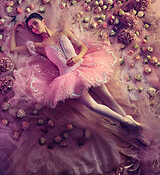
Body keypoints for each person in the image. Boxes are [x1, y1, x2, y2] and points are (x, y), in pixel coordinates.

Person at [10, 12, 143, 132]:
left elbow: (82, 47)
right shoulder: (40, 46)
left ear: (43, 21)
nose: (34, 27)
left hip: (85, 68)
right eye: (32, 27)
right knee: (92, 105)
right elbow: (13, 49)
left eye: (35, 23)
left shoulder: (63, 32)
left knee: (107, 97)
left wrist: (78, 57)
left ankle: (132, 127)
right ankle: (128, 122)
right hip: (68, 78)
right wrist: (14, 30)